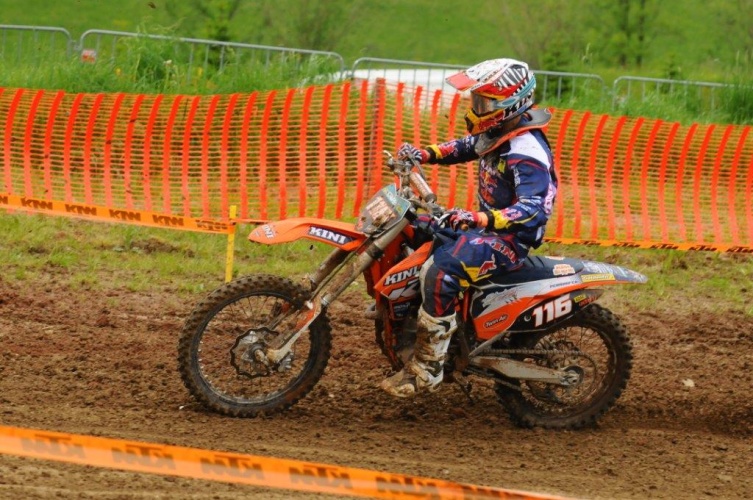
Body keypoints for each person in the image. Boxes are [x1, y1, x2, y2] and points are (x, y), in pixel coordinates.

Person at [381, 58, 558, 398]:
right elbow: (464, 147)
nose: (477, 108)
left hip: (508, 239)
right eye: (477, 101)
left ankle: (426, 369)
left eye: (484, 102)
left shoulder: (526, 151)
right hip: (487, 229)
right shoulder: (499, 131)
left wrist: (479, 219)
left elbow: (532, 209)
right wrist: (423, 154)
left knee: (440, 271)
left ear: (512, 102)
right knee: (412, 229)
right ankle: (405, 321)